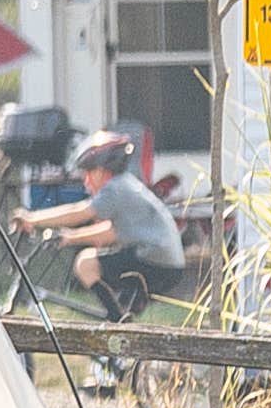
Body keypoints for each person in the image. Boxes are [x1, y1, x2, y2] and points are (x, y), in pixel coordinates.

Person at [25, 128, 190, 309]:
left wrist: (32, 219)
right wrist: (69, 237)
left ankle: (114, 318)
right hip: (168, 264)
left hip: (154, 261)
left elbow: (78, 212)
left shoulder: (115, 189)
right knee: (121, 300)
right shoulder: (126, 184)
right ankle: (120, 318)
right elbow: (111, 233)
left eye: (89, 173)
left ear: (103, 170)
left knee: (85, 263)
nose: (86, 181)